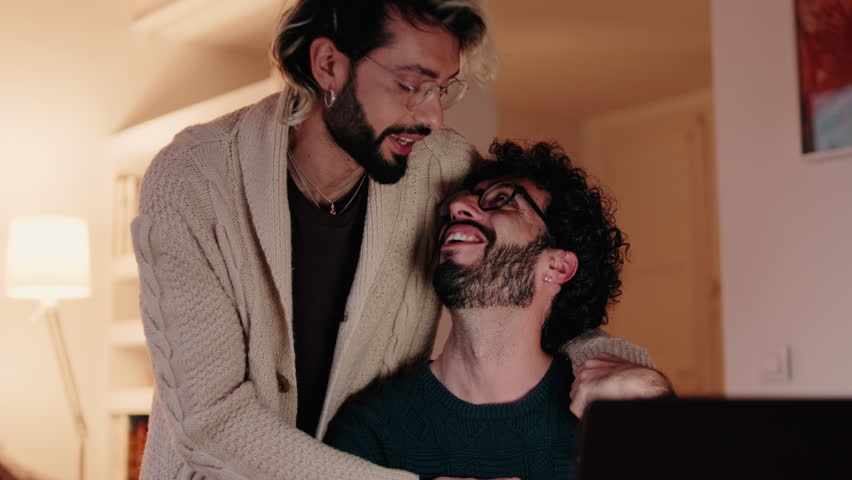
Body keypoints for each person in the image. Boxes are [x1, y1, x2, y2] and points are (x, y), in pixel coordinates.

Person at [131, 1, 666, 479]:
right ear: (328, 65)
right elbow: (211, 419)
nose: (432, 116)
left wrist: (632, 376)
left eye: (443, 89)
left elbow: (530, 273)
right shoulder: (193, 181)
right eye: (411, 86)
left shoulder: (443, 169)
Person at [324, 140, 674, 480]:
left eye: (502, 200)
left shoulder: (605, 422)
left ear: (557, 267)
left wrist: (660, 404)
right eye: (455, 206)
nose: (459, 207)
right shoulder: (372, 426)